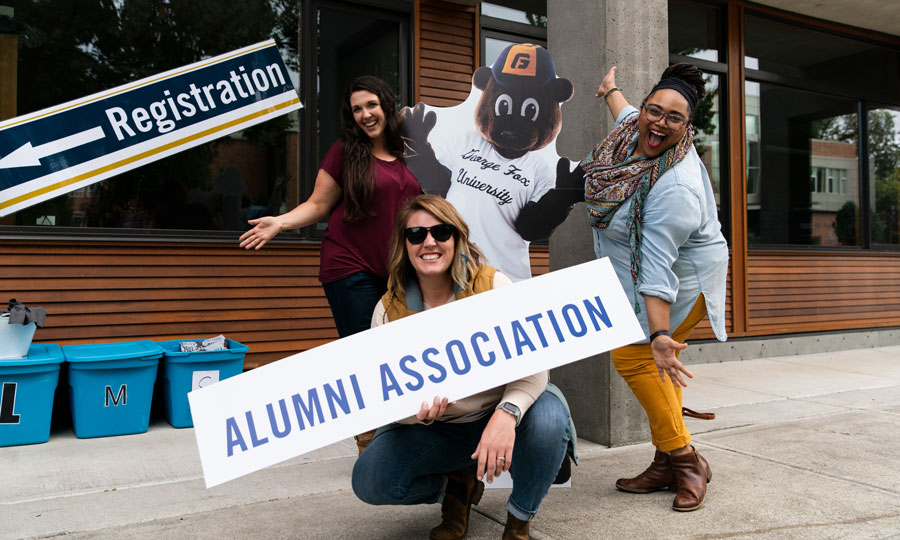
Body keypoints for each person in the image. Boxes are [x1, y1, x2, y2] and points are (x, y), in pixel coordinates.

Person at [352, 194, 574, 540]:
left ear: (456, 239)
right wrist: (416, 414)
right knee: (370, 480)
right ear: (404, 244)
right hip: (438, 429)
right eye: (416, 235)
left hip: (497, 410)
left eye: (441, 232)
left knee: (549, 420)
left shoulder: (492, 285)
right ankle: (457, 488)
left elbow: (534, 367)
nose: (429, 242)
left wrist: (507, 414)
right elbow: (382, 395)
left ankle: (518, 523)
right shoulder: (388, 309)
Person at [582, 63, 728, 512]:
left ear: (688, 128)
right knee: (655, 369)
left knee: (635, 357)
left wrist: (660, 335)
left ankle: (687, 461)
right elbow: (626, 114)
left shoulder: (675, 189)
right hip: (642, 275)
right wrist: (611, 91)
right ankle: (666, 461)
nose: (658, 122)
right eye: (654, 110)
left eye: (673, 118)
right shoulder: (634, 133)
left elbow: (657, 269)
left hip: (681, 281)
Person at [239, 75, 420, 340]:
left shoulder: (409, 153)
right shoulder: (345, 151)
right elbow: (318, 203)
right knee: (367, 349)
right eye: (357, 109)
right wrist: (281, 222)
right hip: (351, 265)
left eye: (372, 105)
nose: (365, 114)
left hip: (398, 267)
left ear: (387, 107)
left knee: (403, 344)